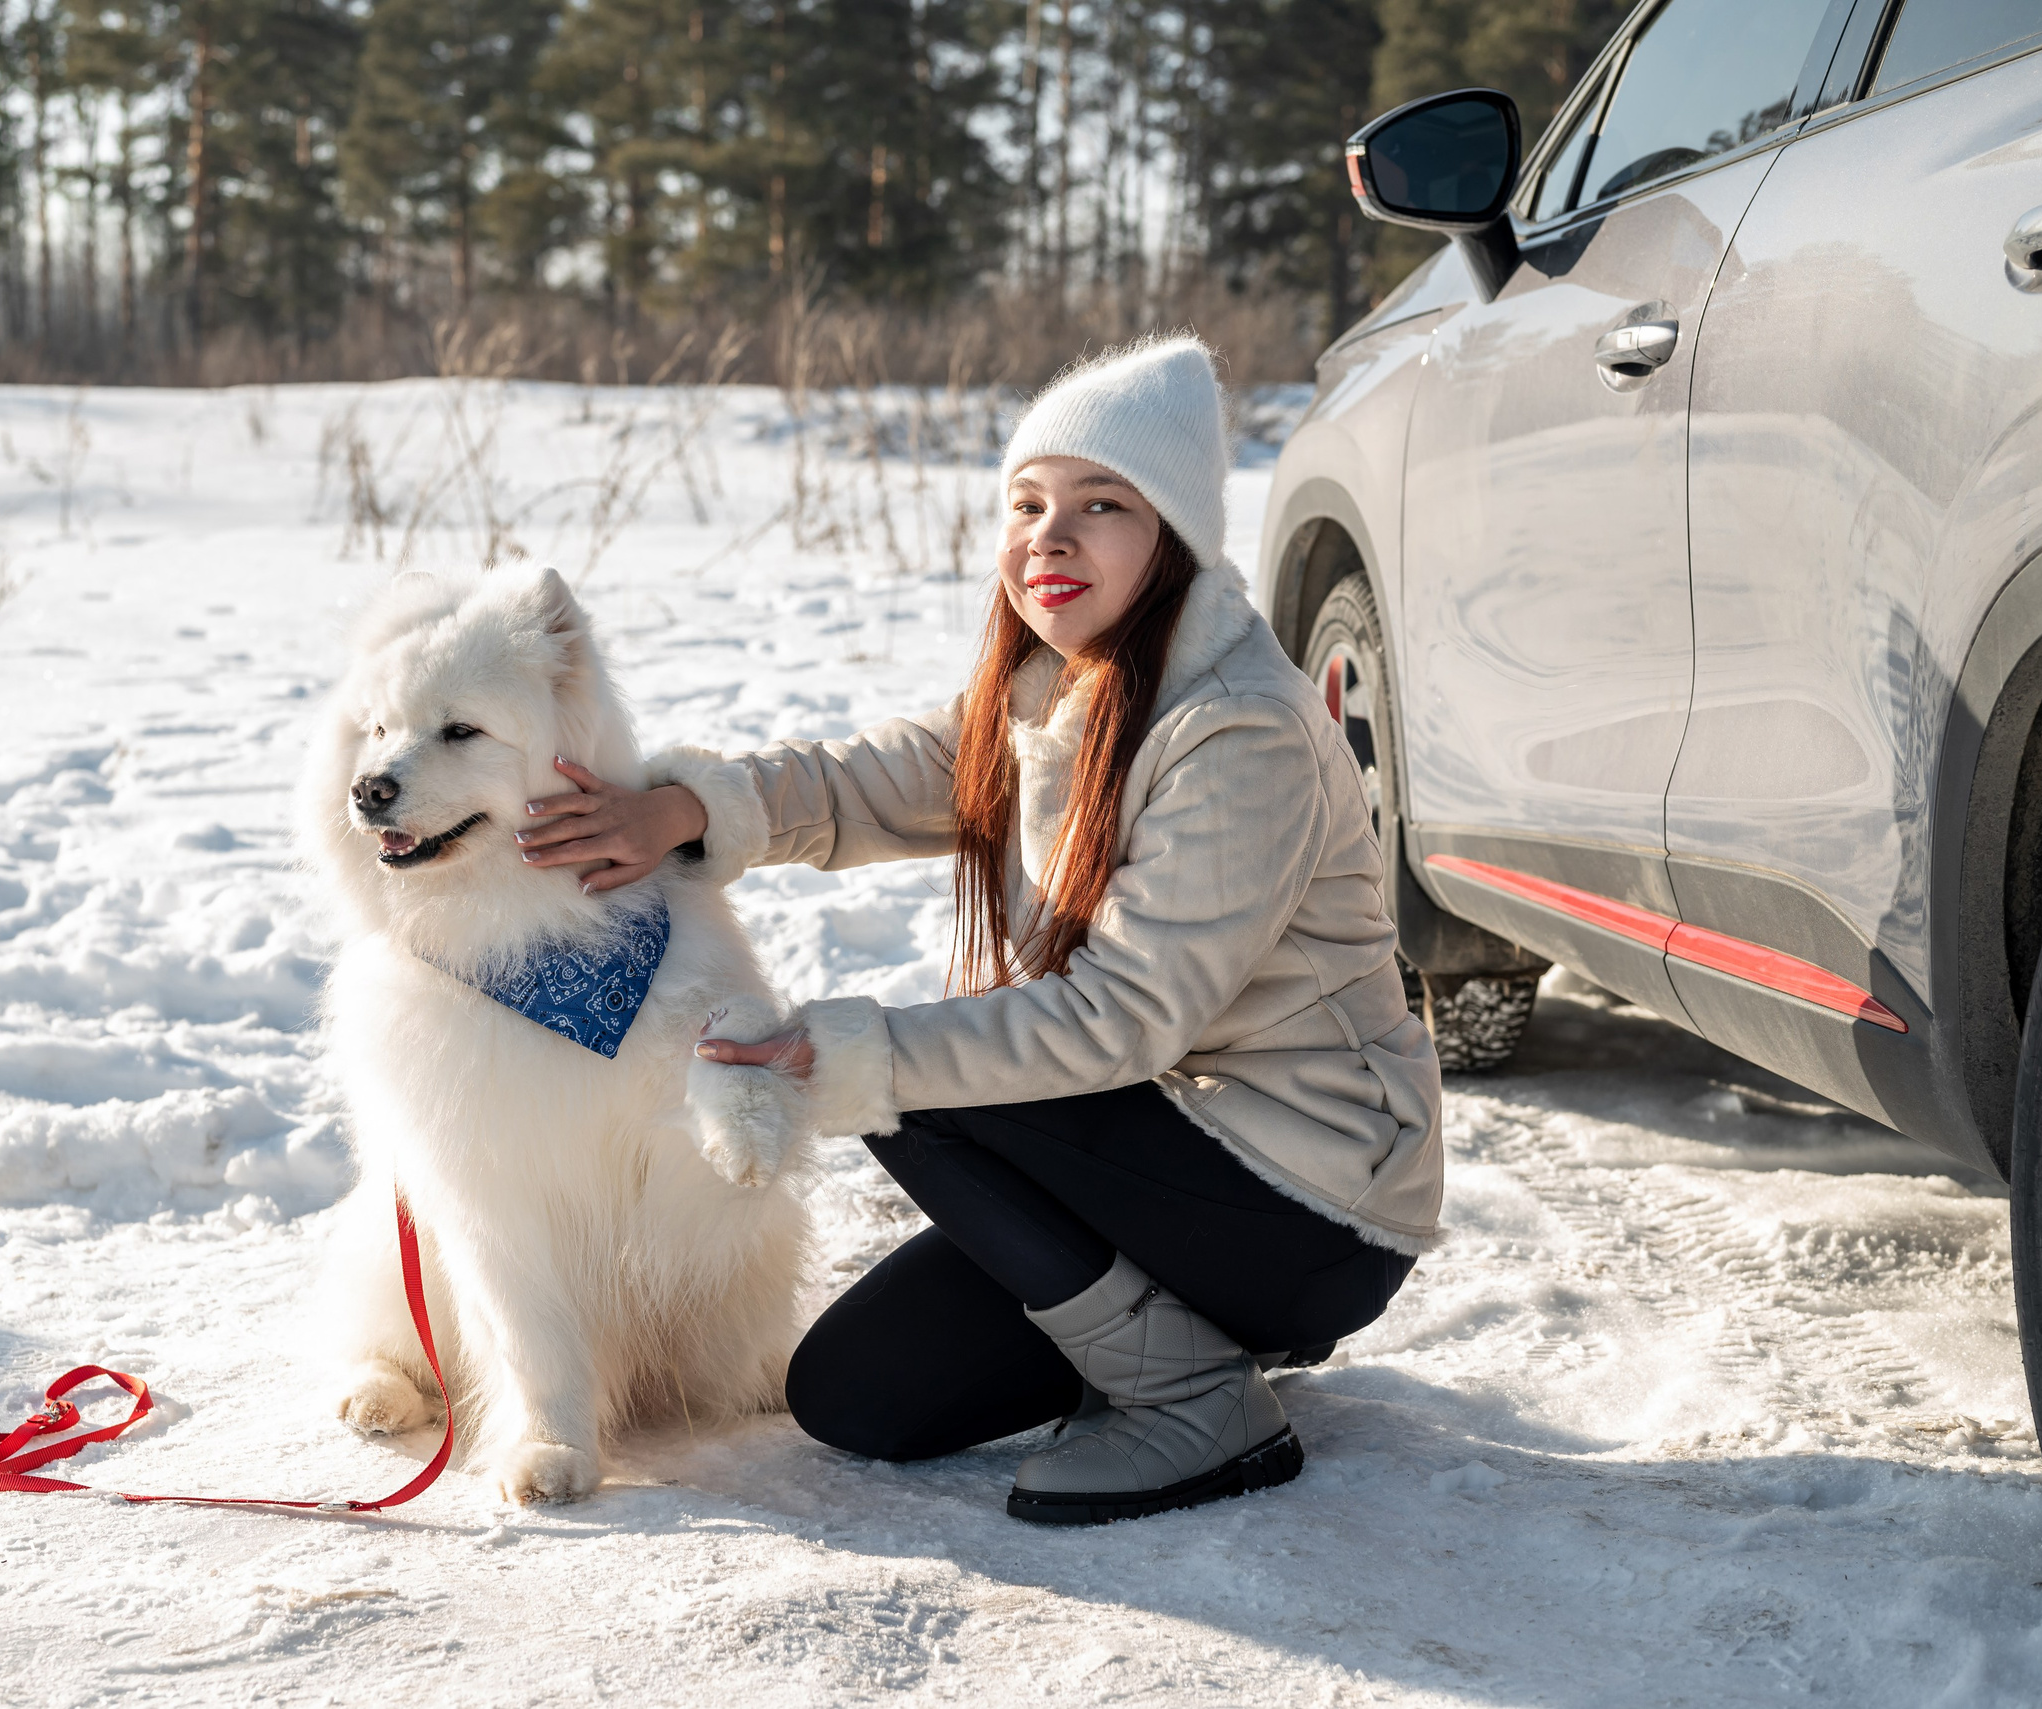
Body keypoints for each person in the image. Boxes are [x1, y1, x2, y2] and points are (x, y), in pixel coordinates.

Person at [513, 335, 1441, 1525]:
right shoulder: (1058, 686)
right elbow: (880, 778)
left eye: (1101, 505)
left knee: (922, 1078)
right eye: (1027, 503)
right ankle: (1192, 1331)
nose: (1048, 538)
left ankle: (1197, 1398)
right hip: (1178, 1164)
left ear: (1174, 536)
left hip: (1309, 1194)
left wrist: (837, 1055)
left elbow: (1126, 1017)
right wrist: (685, 807)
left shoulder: (1236, 729)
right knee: (857, 1395)